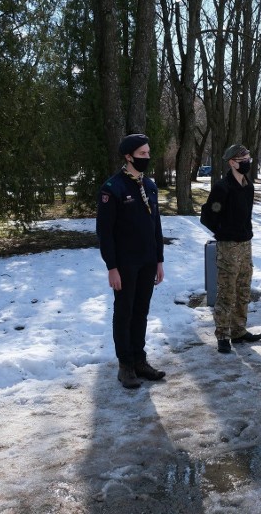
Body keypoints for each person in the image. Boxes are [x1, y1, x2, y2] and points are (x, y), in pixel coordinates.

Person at [97, 134, 166, 389]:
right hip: (125, 264)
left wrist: (159, 260)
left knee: (141, 312)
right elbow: (105, 232)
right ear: (129, 156)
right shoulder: (112, 188)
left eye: (148, 153)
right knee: (124, 312)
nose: (147, 158)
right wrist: (111, 267)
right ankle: (125, 365)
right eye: (143, 154)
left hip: (148, 260)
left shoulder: (149, 185)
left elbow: (155, 225)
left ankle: (139, 360)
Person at [200, 144, 261, 354]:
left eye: (248, 158)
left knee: (243, 289)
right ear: (231, 162)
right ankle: (223, 335)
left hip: (246, 244)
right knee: (227, 292)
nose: (246, 162)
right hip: (228, 247)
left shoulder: (248, 185)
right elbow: (209, 216)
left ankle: (238, 331)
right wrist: (223, 232)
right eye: (242, 159)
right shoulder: (222, 187)